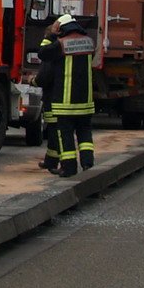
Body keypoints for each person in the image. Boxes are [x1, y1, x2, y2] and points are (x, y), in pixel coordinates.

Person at [40, 13, 95, 178]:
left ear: (61, 28)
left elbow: (42, 53)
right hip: (85, 100)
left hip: (65, 101)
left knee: (65, 135)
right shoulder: (89, 42)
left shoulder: (60, 44)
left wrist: (51, 35)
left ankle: (69, 168)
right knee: (85, 134)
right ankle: (87, 164)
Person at [34, 23, 60, 174]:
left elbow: (44, 76)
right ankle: (51, 160)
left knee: (54, 130)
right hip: (58, 95)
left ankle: (53, 161)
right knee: (54, 130)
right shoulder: (60, 50)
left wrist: (34, 81)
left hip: (52, 96)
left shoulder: (50, 53)